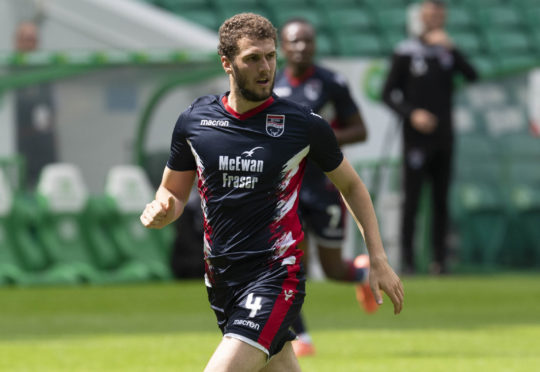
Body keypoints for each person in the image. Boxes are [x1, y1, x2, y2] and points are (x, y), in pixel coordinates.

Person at [140, 13, 403, 372]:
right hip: (222, 278)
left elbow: (352, 185)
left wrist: (378, 257)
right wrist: (161, 208)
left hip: (276, 275)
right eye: (252, 58)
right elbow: (171, 193)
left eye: (270, 56)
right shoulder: (195, 121)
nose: (265, 68)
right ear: (227, 63)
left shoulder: (302, 124)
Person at [274, 18, 374, 357]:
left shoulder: (331, 82)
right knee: (289, 265)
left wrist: (317, 140)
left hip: (326, 187)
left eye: (307, 41)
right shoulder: (270, 82)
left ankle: (360, 273)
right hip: (287, 188)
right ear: (282, 47)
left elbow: (360, 131)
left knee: (332, 269)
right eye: (294, 42)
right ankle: (301, 337)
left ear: (315, 45)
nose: (301, 47)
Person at [381, 0, 477, 275]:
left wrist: (452, 48)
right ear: (420, 18)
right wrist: (412, 114)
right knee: (411, 200)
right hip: (415, 139)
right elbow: (389, 94)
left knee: (440, 200)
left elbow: (472, 75)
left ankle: (439, 261)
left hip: (444, 137)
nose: (433, 20)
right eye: (429, 15)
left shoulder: (446, 52)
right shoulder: (406, 52)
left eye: (438, 15)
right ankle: (408, 261)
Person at [14, 20, 58, 188]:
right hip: (19, 149)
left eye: (33, 39)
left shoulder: (45, 75)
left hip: (44, 150)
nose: (30, 44)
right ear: (17, 42)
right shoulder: (11, 72)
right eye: (26, 39)